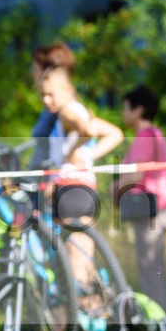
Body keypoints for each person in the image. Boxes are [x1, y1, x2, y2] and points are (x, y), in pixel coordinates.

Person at [37, 67, 124, 318]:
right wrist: (86, 157)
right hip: (87, 190)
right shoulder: (82, 110)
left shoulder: (67, 111)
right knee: (85, 259)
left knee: (70, 262)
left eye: (50, 94)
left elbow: (87, 131)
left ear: (67, 90)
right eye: (43, 95)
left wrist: (71, 154)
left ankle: (77, 322)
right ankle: (93, 318)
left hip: (70, 190)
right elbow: (114, 133)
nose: (46, 100)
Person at [116, 85, 166, 310]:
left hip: (151, 207)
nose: (123, 114)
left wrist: (116, 186)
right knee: (154, 266)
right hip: (162, 205)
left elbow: (136, 173)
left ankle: (158, 318)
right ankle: (159, 314)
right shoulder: (156, 133)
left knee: (149, 266)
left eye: (126, 108)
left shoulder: (143, 136)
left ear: (138, 110)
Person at [29, 42, 77, 170]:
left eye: (35, 68)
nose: (32, 74)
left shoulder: (64, 109)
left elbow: (89, 129)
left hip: (55, 180)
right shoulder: (52, 107)